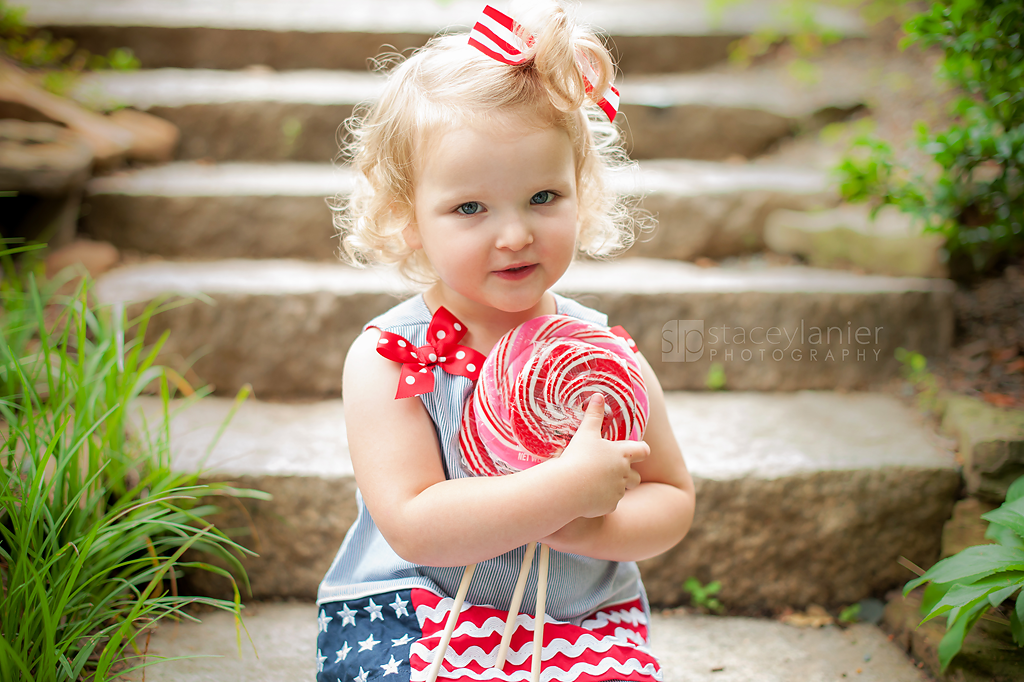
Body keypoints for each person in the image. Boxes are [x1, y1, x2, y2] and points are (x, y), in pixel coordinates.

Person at [317, 3, 695, 681]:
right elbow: (415, 522)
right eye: (470, 208)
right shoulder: (393, 357)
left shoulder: (598, 353)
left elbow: (670, 495)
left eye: (544, 197)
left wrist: (591, 528)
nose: (515, 234)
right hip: (414, 607)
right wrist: (562, 489)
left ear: (583, 192)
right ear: (406, 219)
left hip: (578, 619)